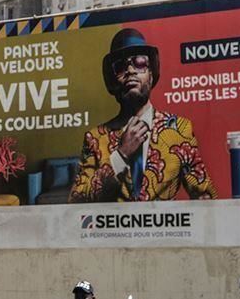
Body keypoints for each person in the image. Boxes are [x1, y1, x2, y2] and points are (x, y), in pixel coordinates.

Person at [69, 28, 218, 202]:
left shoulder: (179, 129)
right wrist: (121, 155)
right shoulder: (95, 138)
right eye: (120, 66)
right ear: (112, 81)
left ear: (151, 75)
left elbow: (206, 197)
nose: (130, 70)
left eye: (139, 62)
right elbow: (77, 201)